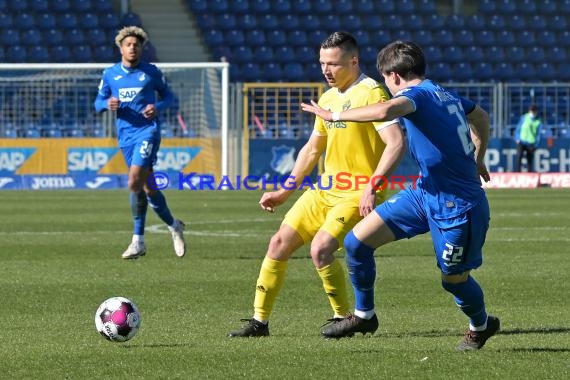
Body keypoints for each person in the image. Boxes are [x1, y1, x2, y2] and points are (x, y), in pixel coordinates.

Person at [301, 40, 499, 351]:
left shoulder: (415, 95)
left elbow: (386, 109)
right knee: (356, 242)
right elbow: (482, 117)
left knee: (453, 280)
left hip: (458, 207)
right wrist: (479, 157)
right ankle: (364, 315)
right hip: (424, 193)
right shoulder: (442, 92)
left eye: (385, 79)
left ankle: (481, 326)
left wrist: (332, 114)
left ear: (393, 76)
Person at [228, 32, 405, 337]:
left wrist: (373, 187)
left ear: (353, 61)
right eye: (322, 63)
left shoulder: (372, 93)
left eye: (333, 64)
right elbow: (312, 149)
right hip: (325, 189)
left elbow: (395, 143)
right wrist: (285, 190)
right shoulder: (327, 98)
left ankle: (343, 318)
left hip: (357, 191)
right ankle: (260, 322)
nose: (326, 70)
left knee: (321, 248)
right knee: (278, 243)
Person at [94, 26, 186, 259]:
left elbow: (169, 97)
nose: (132, 48)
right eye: (128, 44)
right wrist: (107, 104)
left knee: (134, 180)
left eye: (136, 44)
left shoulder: (151, 72)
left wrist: (157, 107)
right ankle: (174, 225)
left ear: (141, 48)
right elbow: (97, 102)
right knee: (148, 187)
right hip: (125, 136)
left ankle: (138, 241)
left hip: (148, 132)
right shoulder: (110, 74)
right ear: (121, 48)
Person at [514, 104, 542, 172]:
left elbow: (538, 134)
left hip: (531, 143)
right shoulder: (524, 117)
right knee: (519, 157)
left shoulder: (538, 121)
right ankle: (517, 173)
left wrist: (536, 145)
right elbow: (518, 129)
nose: (532, 113)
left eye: (534, 111)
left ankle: (530, 174)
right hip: (522, 141)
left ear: (536, 112)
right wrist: (517, 138)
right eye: (531, 111)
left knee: (530, 160)